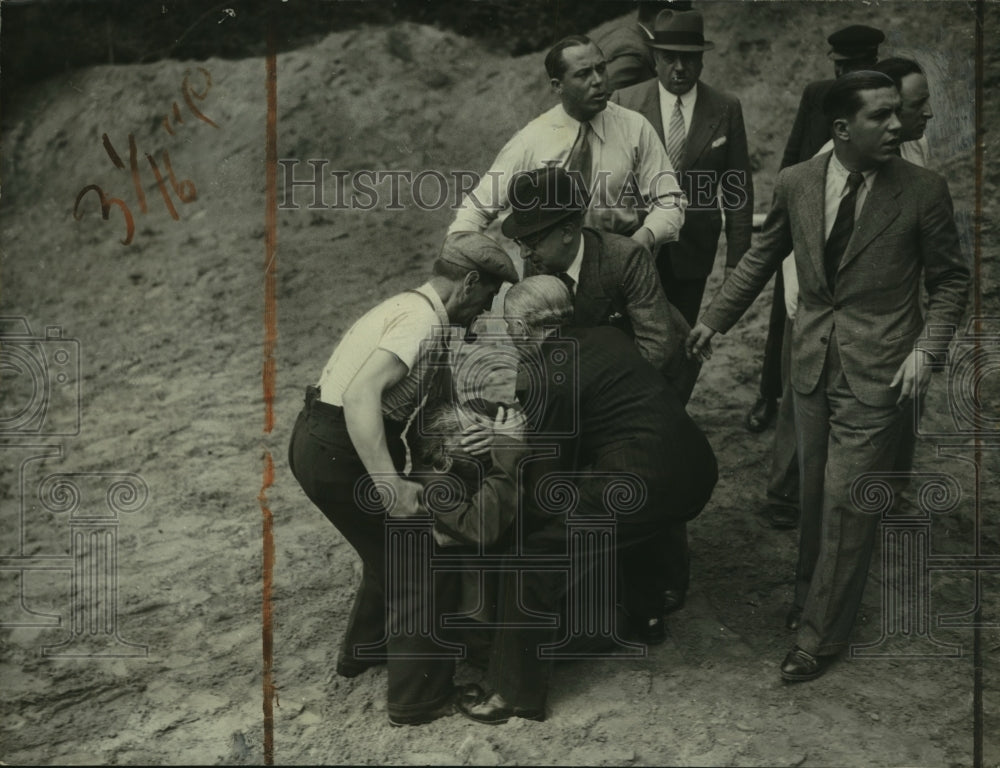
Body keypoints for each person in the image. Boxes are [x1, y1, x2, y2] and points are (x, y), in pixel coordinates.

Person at [688, 71, 969, 682]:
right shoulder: (797, 182)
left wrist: (927, 351)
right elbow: (764, 254)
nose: (897, 126)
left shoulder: (923, 190)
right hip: (812, 362)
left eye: (897, 113)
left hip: (883, 369)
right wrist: (714, 319)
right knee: (816, 494)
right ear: (842, 128)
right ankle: (808, 597)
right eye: (880, 116)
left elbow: (951, 281)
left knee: (848, 499)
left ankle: (820, 635)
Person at [459, 276, 718, 723]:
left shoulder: (546, 377)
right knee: (623, 522)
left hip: (644, 482)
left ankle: (512, 695)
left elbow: (548, 489)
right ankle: (645, 616)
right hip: (695, 470)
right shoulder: (607, 336)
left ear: (521, 329)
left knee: (534, 554)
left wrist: (509, 446)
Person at [287, 231, 518, 726]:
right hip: (340, 448)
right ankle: (418, 699)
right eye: (487, 295)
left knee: (387, 550)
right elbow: (360, 396)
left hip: (322, 441)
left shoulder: (415, 309)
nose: (485, 309)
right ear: (469, 283)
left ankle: (365, 651)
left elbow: (426, 404)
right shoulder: (421, 322)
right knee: (419, 561)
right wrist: (389, 483)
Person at [763, 56, 937, 533]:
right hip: (815, 310)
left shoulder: (917, 161)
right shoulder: (820, 168)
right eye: (911, 105)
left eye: (906, 110)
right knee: (803, 408)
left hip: (883, 320)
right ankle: (787, 493)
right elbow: (787, 247)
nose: (918, 115)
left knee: (889, 414)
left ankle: (879, 492)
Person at [747, 24, 886, 435]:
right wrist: (784, 212)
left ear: (871, 64)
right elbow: (792, 155)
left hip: (855, 223)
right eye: (840, 67)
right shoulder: (817, 95)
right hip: (805, 218)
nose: (843, 74)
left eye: (852, 67)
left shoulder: (882, 106)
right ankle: (769, 393)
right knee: (784, 309)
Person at [448, 34, 686, 258]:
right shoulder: (531, 140)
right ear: (557, 86)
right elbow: (477, 208)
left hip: (617, 257)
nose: (598, 81)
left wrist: (647, 236)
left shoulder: (634, 128)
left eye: (601, 68)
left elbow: (669, 199)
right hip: (549, 269)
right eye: (583, 74)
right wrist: (458, 257)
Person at [503, 165, 699, 402]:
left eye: (532, 243)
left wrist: (589, 399)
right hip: (595, 370)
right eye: (520, 242)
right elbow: (533, 340)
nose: (523, 253)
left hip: (656, 376)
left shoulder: (626, 259)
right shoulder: (537, 262)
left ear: (567, 232)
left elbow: (657, 351)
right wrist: (527, 398)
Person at [613, 7, 754, 327]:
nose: (679, 67)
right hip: (633, 247)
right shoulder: (624, 102)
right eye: (669, 58)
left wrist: (736, 262)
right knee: (629, 336)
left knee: (680, 337)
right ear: (655, 58)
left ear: (702, 60)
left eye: (688, 58)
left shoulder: (725, 107)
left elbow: (739, 192)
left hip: (693, 252)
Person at [594, 0, 693, 92]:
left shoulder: (626, 35)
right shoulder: (633, 52)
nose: (684, 26)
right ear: (663, 17)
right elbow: (601, 98)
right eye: (682, 19)